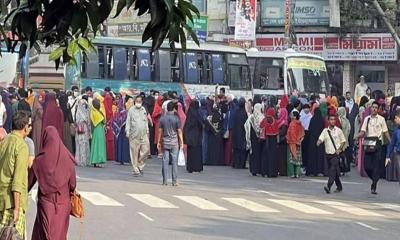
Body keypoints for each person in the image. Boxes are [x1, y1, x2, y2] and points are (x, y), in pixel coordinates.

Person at [29, 126, 77, 240]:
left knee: (45, 234)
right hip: (64, 203)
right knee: (60, 235)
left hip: (46, 204)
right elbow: (73, 184)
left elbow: (29, 182)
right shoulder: (67, 158)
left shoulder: (40, 160)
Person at [0, 111, 30, 239]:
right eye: (29, 125)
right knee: (13, 236)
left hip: (2, 199)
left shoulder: (5, 141)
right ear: (25, 127)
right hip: (12, 203)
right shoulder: (21, 146)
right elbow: (17, 181)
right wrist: (17, 209)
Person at [358, 101, 391, 194]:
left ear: (378, 109)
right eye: (373, 107)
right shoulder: (367, 119)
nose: (374, 109)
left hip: (378, 144)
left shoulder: (381, 119)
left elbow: (385, 131)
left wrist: (391, 141)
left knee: (376, 165)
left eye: (376, 108)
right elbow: (363, 131)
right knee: (367, 166)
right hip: (368, 144)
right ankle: (375, 178)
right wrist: (357, 136)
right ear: (370, 108)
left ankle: (374, 185)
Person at [317, 114, 346, 194]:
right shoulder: (325, 131)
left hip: (336, 154)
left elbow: (343, 141)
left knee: (332, 170)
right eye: (331, 119)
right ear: (328, 121)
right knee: (335, 171)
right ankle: (339, 186)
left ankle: (328, 186)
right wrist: (318, 142)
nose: (333, 121)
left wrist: (339, 149)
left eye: (334, 119)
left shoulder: (338, 130)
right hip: (328, 155)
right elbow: (320, 139)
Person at [158, 101, 184, 186]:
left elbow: (160, 131)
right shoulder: (176, 119)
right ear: (173, 109)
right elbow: (179, 131)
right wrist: (182, 142)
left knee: (165, 161)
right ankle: (174, 181)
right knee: (174, 162)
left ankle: (165, 181)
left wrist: (158, 141)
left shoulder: (162, 118)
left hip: (165, 142)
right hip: (174, 142)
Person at [126, 96, 150, 176]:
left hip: (143, 134)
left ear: (142, 102)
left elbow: (146, 121)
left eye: (139, 101)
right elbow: (128, 121)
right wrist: (127, 132)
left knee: (146, 150)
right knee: (134, 153)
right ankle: (135, 169)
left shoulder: (143, 110)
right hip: (134, 135)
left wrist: (147, 130)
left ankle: (140, 165)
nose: (138, 103)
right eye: (137, 101)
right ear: (134, 101)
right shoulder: (131, 110)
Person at [183, 100, 203, 173]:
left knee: (191, 152)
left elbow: (186, 126)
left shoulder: (189, 114)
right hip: (197, 136)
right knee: (197, 152)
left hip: (190, 137)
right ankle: (197, 167)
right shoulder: (198, 114)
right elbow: (201, 124)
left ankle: (190, 167)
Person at [245, 103, 264, 176]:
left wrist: (248, 137)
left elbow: (246, 126)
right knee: (259, 154)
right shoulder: (262, 117)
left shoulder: (251, 117)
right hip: (260, 139)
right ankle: (259, 169)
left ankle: (253, 170)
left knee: (253, 154)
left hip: (253, 138)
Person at [260, 107, 279, 177]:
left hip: (266, 140)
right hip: (273, 141)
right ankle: (272, 173)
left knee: (265, 157)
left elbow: (261, 125)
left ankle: (264, 172)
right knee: (272, 157)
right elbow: (277, 132)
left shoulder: (265, 119)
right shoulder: (275, 121)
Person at [307, 108, 325, 176]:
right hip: (320, 140)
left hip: (312, 140)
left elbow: (309, 129)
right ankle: (319, 170)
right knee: (319, 155)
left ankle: (311, 171)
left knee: (312, 155)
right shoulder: (322, 120)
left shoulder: (312, 119)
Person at [287, 111, 305, 178]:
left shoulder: (292, 124)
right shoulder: (300, 124)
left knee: (292, 159)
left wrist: (290, 140)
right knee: (298, 159)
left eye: (292, 115)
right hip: (298, 143)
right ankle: (297, 174)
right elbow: (302, 134)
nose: (291, 116)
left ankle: (292, 174)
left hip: (292, 143)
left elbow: (290, 133)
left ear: (294, 116)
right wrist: (300, 141)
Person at [113, 97, 131, 165]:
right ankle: (125, 159)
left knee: (119, 144)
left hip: (118, 131)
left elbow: (114, 121)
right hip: (124, 129)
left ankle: (119, 159)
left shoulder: (117, 112)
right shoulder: (125, 112)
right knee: (125, 145)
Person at [232, 98, 248, 169]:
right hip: (242, 133)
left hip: (235, 133)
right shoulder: (244, 113)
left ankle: (235, 163)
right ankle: (241, 164)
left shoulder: (236, 112)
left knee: (236, 150)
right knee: (242, 150)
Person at [90, 98, 107, 167]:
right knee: (98, 145)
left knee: (97, 145)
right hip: (98, 129)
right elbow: (102, 120)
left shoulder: (95, 111)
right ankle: (97, 160)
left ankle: (96, 160)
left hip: (98, 129)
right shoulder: (96, 111)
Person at [75, 97, 91, 167]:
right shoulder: (87, 111)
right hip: (84, 129)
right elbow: (88, 121)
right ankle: (83, 160)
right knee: (83, 144)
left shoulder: (79, 110)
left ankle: (82, 161)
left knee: (81, 144)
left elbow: (77, 120)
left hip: (81, 128)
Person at [386, 109, 400, 183]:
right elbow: (391, 144)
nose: (394, 120)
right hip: (398, 154)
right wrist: (388, 156)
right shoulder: (396, 130)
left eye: (396, 118)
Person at [277, 107, 289, 176]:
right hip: (281, 141)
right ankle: (281, 170)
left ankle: (282, 171)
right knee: (280, 157)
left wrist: (277, 132)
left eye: (280, 112)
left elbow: (283, 132)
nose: (278, 114)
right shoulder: (281, 121)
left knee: (282, 158)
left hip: (282, 142)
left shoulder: (284, 122)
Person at [104, 92, 115, 161]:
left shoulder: (104, 107)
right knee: (109, 140)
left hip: (107, 124)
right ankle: (109, 155)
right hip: (109, 124)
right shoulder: (110, 108)